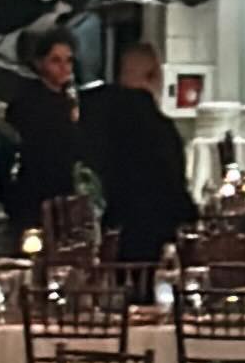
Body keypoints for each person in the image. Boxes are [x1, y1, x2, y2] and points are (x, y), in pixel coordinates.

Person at [80, 39, 199, 271]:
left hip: (101, 230)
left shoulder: (90, 113)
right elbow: (170, 185)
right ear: (154, 76)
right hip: (147, 233)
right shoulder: (158, 128)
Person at [0, 28, 83, 237]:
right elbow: (8, 152)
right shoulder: (26, 103)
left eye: (68, 61)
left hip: (64, 194)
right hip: (31, 194)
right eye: (56, 61)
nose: (64, 68)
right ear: (39, 63)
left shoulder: (70, 101)